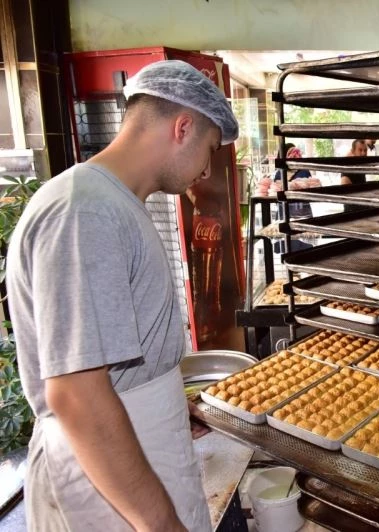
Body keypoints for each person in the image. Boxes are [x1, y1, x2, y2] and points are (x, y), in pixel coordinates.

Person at [6, 60, 239, 531]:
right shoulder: (85, 212)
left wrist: (168, 402)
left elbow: (115, 370)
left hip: (137, 450)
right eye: (210, 149)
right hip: (103, 489)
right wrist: (160, 524)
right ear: (183, 127)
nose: (206, 169)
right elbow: (77, 395)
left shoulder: (113, 205)